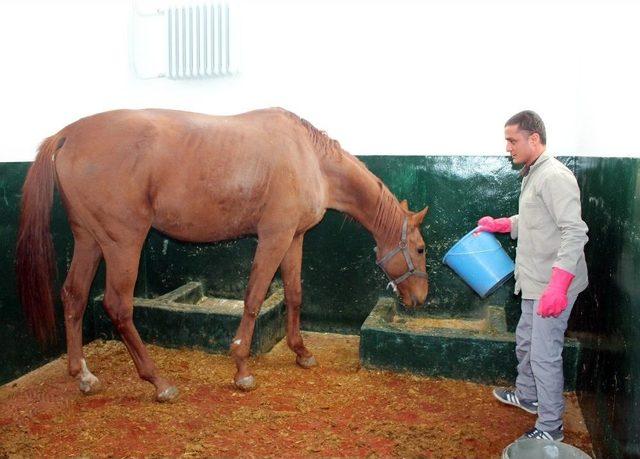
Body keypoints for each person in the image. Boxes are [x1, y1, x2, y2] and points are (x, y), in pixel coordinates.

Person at [477, 110, 588, 442]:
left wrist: (559, 285)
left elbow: (574, 232)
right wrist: (503, 224)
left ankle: (551, 425)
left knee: (543, 353)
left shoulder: (554, 176)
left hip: (553, 285)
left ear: (534, 139)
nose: (507, 147)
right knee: (526, 340)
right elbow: (535, 219)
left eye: (512, 140)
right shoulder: (533, 174)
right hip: (534, 280)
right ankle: (528, 395)